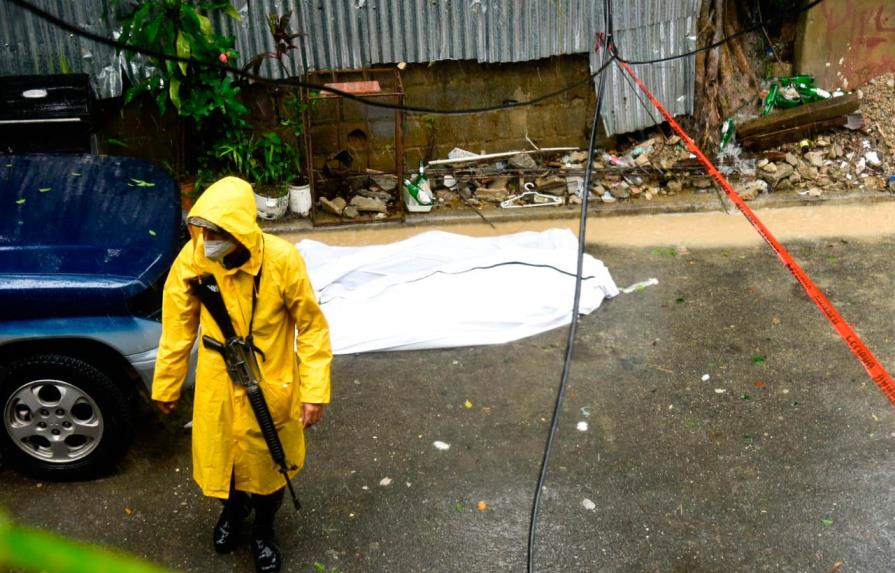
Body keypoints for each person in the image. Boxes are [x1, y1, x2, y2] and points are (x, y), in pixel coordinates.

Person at [151, 176, 332, 573]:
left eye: (218, 232)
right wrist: (167, 383)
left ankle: (264, 530)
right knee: (223, 463)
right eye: (204, 231)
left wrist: (314, 391)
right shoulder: (195, 257)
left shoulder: (282, 260)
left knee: (270, 466)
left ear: (241, 231)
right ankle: (232, 513)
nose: (208, 240)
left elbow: (312, 327)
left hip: (270, 382)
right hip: (219, 380)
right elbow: (178, 324)